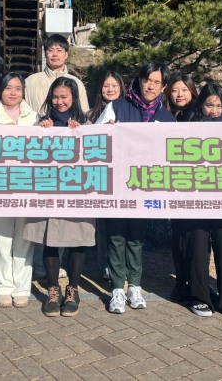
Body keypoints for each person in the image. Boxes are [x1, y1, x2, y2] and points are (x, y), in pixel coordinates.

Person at [96, 61, 176, 313]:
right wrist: (106, 131)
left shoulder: (167, 119)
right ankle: (117, 289)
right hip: (116, 183)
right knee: (116, 236)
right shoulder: (117, 106)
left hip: (145, 186)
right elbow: (94, 137)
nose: (150, 86)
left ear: (163, 87)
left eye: (156, 82)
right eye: (147, 80)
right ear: (139, 81)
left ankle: (135, 286)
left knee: (136, 238)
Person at [177, 82, 222, 319]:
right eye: (209, 105)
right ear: (201, 106)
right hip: (194, 197)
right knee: (196, 247)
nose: (214, 111)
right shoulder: (187, 127)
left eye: (219, 106)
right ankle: (199, 297)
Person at [24, 78, 95, 317]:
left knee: (78, 238)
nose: (59, 101)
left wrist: (81, 132)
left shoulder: (85, 123)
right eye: (55, 97)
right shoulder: (42, 123)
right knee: (50, 238)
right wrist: (41, 131)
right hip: (49, 190)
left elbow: (98, 154)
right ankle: (53, 290)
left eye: (64, 97)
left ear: (74, 98)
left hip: (77, 191)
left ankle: (72, 289)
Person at [24, 34, 90, 278]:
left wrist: (78, 127)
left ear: (66, 54)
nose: (54, 54)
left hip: (70, 159)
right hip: (42, 153)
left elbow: (83, 116)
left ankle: (60, 266)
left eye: (59, 50)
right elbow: (27, 114)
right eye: (50, 49)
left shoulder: (77, 83)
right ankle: (39, 264)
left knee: (65, 213)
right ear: (45, 53)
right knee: (42, 213)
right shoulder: (31, 81)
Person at [0, 73, 39, 308]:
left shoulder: (35, 118)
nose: (13, 93)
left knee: (24, 238)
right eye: (8, 88)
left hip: (28, 185)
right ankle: (3, 287)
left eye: (18, 88)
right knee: (0, 238)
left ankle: (22, 287)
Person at [86, 70, 125, 281]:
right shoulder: (91, 114)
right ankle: (105, 265)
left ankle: (119, 265)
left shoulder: (127, 111)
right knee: (102, 224)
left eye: (114, 86)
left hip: (121, 176)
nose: (110, 89)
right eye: (106, 85)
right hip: (98, 175)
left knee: (118, 225)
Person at [166, 72, 199, 302]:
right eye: (175, 90)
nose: (180, 94)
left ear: (192, 91)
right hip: (173, 184)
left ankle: (195, 282)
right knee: (178, 235)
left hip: (196, 185)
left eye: (184, 90)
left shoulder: (198, 115)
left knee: (194, 237)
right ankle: (181, 281)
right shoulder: (165, 116)